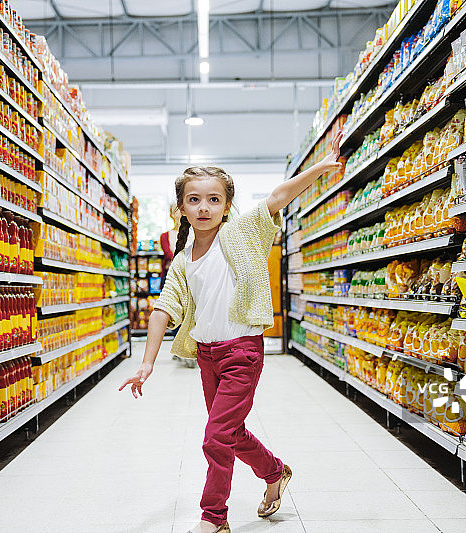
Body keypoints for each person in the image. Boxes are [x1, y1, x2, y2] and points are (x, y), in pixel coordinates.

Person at [119, 132, 343, 533]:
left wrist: (321, 167)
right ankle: (275, 473)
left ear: (226, 206)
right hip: (207, 356)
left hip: (242, 352)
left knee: (214, 437)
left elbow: (277, 198)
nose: (203, 207)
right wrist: (146, 363)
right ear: (181, 208)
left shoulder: (239, 234)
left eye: (214, 199)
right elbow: (163, 310)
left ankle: (213, 519)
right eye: (194, 199)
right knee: (230, 433)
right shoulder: (183, 260)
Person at [159, 205, 181, 289]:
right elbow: (169, 255)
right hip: (171, 274)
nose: (179, 212)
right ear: (171, 215)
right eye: (176, 210)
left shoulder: (194, 234)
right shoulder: (165, 236)